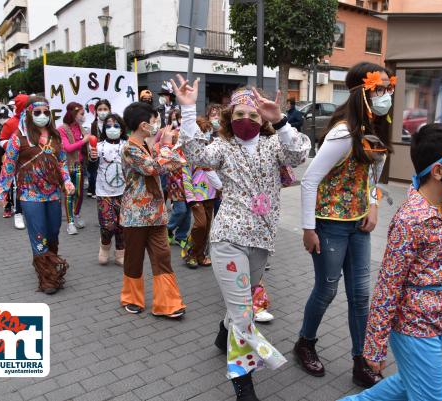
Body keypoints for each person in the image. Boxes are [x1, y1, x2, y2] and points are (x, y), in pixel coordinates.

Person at [173, 75, 310, 401]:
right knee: (243, 314)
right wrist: (189, 111)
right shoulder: (222, 146)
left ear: (262, 119)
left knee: (241, 306)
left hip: (262, 241)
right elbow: (196, 155)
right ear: (229, 119)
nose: (245, 120)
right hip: (228, 239)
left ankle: (224, 337)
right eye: (238, 115)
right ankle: (243, 385)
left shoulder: (274, 143)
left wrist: (281, 120)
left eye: (252, 115)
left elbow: (298, 155)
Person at [338, 123, 442, 401]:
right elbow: (388, 286)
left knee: (404, 386)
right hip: (413, 326)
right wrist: (374, 348)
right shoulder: (410, 219)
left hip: (433, 320)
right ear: (438, 171)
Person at [295, 62, 392, 387]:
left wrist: (374, 205)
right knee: (326, 289)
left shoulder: (373, 130)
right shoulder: (341, 133)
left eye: (388, 90)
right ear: (364, 92)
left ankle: (360, 361)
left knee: (361, 295)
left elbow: (374, 173)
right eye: (381, 90)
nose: (386, 97)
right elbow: (309, 181)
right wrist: (309, 229)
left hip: (358, 224)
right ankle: (305, 343)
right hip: (329, 225)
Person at [0, 96, 74, 295]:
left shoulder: (55, 136)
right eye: (37, 113)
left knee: (53, 233)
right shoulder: (18, 138)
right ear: (29, 114)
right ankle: (47, 277)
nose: (42, 116)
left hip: (54, 194)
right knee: (39, 235)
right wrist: (2, 191)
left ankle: (50, 261)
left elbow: (62, 161)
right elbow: (9, 166)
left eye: (46, 113)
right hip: (30, 196)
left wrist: (67, 180)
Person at [119, 101, 186, 318]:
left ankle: (168, 303)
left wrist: (165, 147)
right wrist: (166, 145)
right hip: (135, 216)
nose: (157, 124)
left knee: (163, 256)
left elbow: (172, 164)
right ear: (143, 124)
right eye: (154, 120)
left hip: (156, 214)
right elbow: (154, 168)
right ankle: (131, 298)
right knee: (134, 259)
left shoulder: (148, 146)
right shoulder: (130, 148)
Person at [181, 116, 220, 268]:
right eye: (204, 132)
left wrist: (220, 190)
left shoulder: (213, 150)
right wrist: (190, 197)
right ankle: (189, 252)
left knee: (207, 228)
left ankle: (200, 255)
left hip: (211, 195)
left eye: (209, 132)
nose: (207, 135)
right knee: (200, 225)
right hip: (196, 197)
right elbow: (186, 177)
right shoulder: (189, 152)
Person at [89, 112, 127, 266]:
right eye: (108, 126)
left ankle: (120, 253)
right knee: (108, 225)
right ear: (104, 129)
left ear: (122, 129)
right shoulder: (98, 146)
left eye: (116, 126)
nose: (112, 128)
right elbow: (91, 168)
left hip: (124, 192)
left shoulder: (127, 146)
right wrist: (92, 158)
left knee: (122, 225)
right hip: (104, 192)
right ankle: (105, 247)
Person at [58, 102, 90, 235]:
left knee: (79, 193)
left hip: (80, 165)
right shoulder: (62, 129)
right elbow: (67, 147)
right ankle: (70, 223)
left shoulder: (80, 127)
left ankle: (76, 215)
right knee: (69, 193)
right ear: (74, 114)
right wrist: (84, 141)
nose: (84, 116)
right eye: (81, 114)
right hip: (67, 166)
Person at [0, 94, 29, 229]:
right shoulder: (11, 123)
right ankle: (18, 213)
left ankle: (30, 211)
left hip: (33, 161)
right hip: (17, 161)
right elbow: (2, 140)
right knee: (17, 187)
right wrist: (13, 148)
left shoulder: (34, 121)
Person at [88, 99, 111, 198]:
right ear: (96, 111)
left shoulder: (113, 124)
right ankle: (93, 189)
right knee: (94, 172)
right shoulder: (92, 125)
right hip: (96, 153)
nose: (102, 111)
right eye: (100, 109)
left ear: (109, 110)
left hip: (109, 154)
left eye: (105, 109)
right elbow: (89, 140)